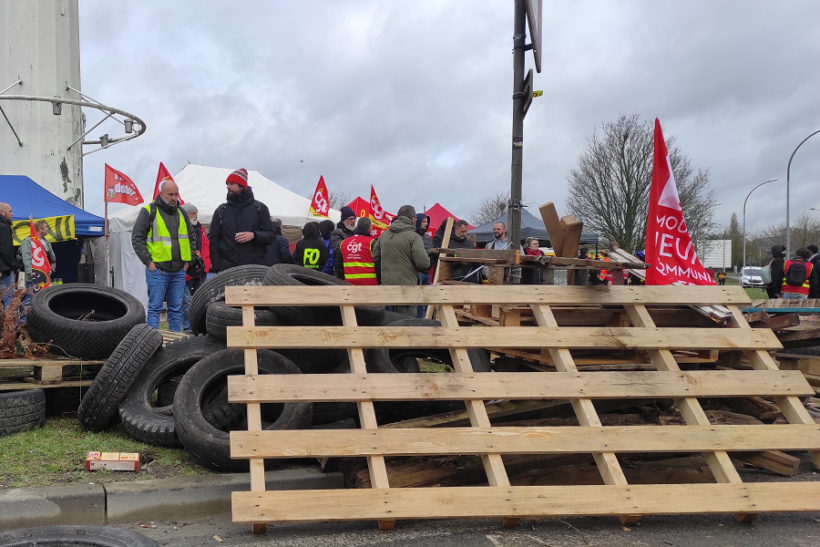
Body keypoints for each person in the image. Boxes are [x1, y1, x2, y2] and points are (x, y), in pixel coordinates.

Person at [132, 179, 194, 331]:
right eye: (170, 194)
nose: (174, 198)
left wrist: (188, 261)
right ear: (161, 194)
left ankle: (173, 348)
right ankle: (153, 344)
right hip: (158, 270)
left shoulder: (182, 213)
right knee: (155, 309)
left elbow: (192, 237)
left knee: (176, 310)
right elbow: (137, 238)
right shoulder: (148, 211)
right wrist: (148, 262)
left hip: (178, 270)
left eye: (176, 194)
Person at [209, 168, 276, 273]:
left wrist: (254, 235)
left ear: (242, 186)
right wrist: (218, 266)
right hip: (227, 269)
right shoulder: (221, 210)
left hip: (255, 269)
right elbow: (213, 240)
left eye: (232, 184)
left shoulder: (260, 208)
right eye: (227, 184)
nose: (228, 187)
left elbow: (271, 236)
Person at [373, 205, 430, 316]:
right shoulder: (414, 237)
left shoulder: (384, 235)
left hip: (387, 285)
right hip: (406, 288)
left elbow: (376, 256)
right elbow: (424, 263)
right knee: (406, 324)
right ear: (413, 219)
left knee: (389, 321)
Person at [179, 203, 209, 333]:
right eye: (192, 213)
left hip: (200, 271)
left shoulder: (200, 229)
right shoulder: (179, 229)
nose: (195, 215)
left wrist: (206, 266)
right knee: (185, 302)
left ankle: (200, 328)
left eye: (196, 212)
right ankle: (188, 328)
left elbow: (205, 248)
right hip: (185, 271)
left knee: (201, 300)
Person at [19, 220, 57, 314]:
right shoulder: (28, 241)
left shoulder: (46, 242)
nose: (47, 229)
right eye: (46, 227)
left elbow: (52, 257)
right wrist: (29, 271)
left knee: (43, 298)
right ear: (40, 229)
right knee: (29, 298)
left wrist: (51, 268)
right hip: (33, 276)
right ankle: (24, 321)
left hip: (45, 276)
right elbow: (26, 256)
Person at [335, 218, 377, 285]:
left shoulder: (344, 243)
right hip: (370, 284)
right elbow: (379, 265)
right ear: (370, 229)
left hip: (349, 284)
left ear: (357, 227)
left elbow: (338, 266)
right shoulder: (372, 243)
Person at [414, 213, 433, 317]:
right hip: (418, 271)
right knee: (417, 299)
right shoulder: (414, 236)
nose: (426, 224)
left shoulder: (427, 237)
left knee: (424, 299)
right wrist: (430, 251)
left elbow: (430, 249)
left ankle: (422, 319)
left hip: (427, 271)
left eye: (427, 222)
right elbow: (418, 252)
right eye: (424, 221)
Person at [330, 206, 356, 275]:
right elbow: (337, 249)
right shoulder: (337, 233)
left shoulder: (356, 233)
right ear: (343, 221)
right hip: (342, 269)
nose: (352, 221)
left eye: (354, 219)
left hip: (355, 269)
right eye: (349, 219)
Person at [0, 203, 16, 311]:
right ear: (2, 212)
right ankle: (8, 326)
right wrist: (14, 265)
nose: (12, 214)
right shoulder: (4, 227)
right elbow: (6, 250)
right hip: (4, 269)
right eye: (10, 211)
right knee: (8, 299)